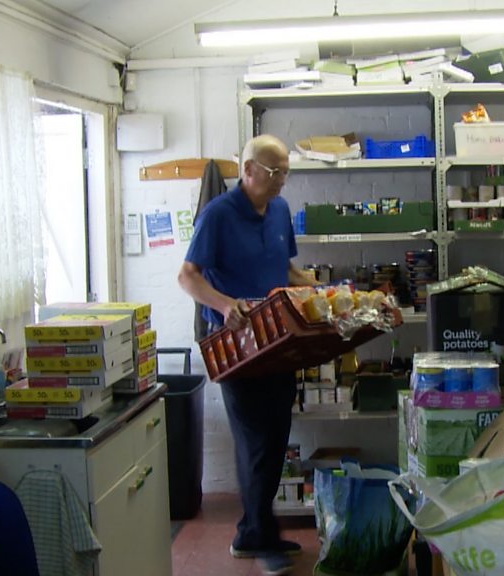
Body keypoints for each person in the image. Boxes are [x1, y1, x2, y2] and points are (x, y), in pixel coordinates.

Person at [178, 134, 315, 576]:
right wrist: (223, 304)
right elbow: (187, 276)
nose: (281, 181)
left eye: (286, 172)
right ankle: (260, 537)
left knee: (275, 437)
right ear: (249, 170)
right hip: (237, 347)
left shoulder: (279, 210)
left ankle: (251, 533)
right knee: (256, 441)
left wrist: (311, 282)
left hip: (279, 341)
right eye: (274, 173)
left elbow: (285, 267)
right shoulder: (217, 215)